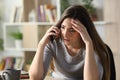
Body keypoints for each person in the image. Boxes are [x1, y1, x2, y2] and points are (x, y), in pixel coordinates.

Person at [29, 5, 110, 80]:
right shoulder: (53, 43)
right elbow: (35, 78)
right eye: (63, 27)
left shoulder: (93, 48)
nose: (65, 34)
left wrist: (89, 43)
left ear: (84, 31)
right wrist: (41, 45)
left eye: (72, 30)